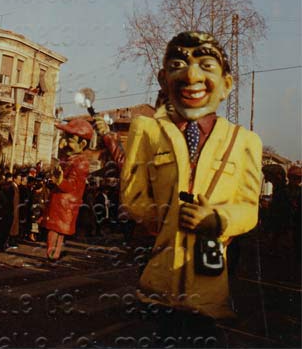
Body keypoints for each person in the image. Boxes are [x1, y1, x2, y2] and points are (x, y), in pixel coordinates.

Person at [96, 31, 262, 329]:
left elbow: (249, 209)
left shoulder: (244, 141)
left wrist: (217, 219)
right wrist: (167, 218)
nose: (191, 75)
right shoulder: (147, 131)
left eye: (206, 66)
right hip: (158, 287)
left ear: (226, 85)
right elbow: (133, 195)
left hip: (209, 292)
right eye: (177, 65)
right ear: (163, 79)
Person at [41, 118, 94, 263]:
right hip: (60, 203)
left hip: (65, 205)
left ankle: (53, 256)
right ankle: (53, 255)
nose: (64, 142)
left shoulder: (81, 163)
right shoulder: (69, 159)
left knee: (56, 232)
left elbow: (71, 186)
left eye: (69, 139)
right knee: (55, 231)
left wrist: (59, 181)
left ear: (82, 144)